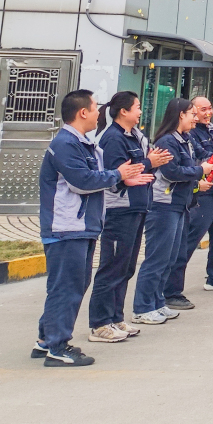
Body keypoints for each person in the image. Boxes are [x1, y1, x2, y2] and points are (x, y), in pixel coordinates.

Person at [35, 90, 150, 367]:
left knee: (73, 284)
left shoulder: (84, 143)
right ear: (82, 112)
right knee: (67, 287)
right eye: (96, 107)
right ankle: (58, 346)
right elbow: (81, 181)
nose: (100, 113)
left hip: (82, 226)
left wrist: (119, 180)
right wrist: (118, 175)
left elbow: (96, 178)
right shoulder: (65, 144)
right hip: (66, 227)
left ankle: (46, 339)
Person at [88, 91, 172, 343]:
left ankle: (115, 317)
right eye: (136, 107)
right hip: (119, 209)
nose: (140, 111)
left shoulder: (135, 135)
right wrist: (149, 162)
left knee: (125, 267)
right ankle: (100, 324)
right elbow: (118, 174)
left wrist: (153, 161)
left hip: (137, 207)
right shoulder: (113, 138)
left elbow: (142, 165)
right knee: (111, 268)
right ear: (123, 111)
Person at [132, 99, 210, 323]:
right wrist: (199, 171)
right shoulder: (167, 141)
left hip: (180, 204)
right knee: (157, 258)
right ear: (179, 115)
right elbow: (170, 171)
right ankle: (143, 307)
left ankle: (158, 302)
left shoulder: (185, 139)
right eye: (191, 114)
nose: (195, 118)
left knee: (170, 257)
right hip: (163, 205)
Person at [165, 96, 213, 298]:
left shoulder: (212, 129)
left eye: (209, 108)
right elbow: (202, 159)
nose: (206, 114)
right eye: (199, 111)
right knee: (189, 240)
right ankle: (170, 288)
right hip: (202, 192)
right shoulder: (182, 137)